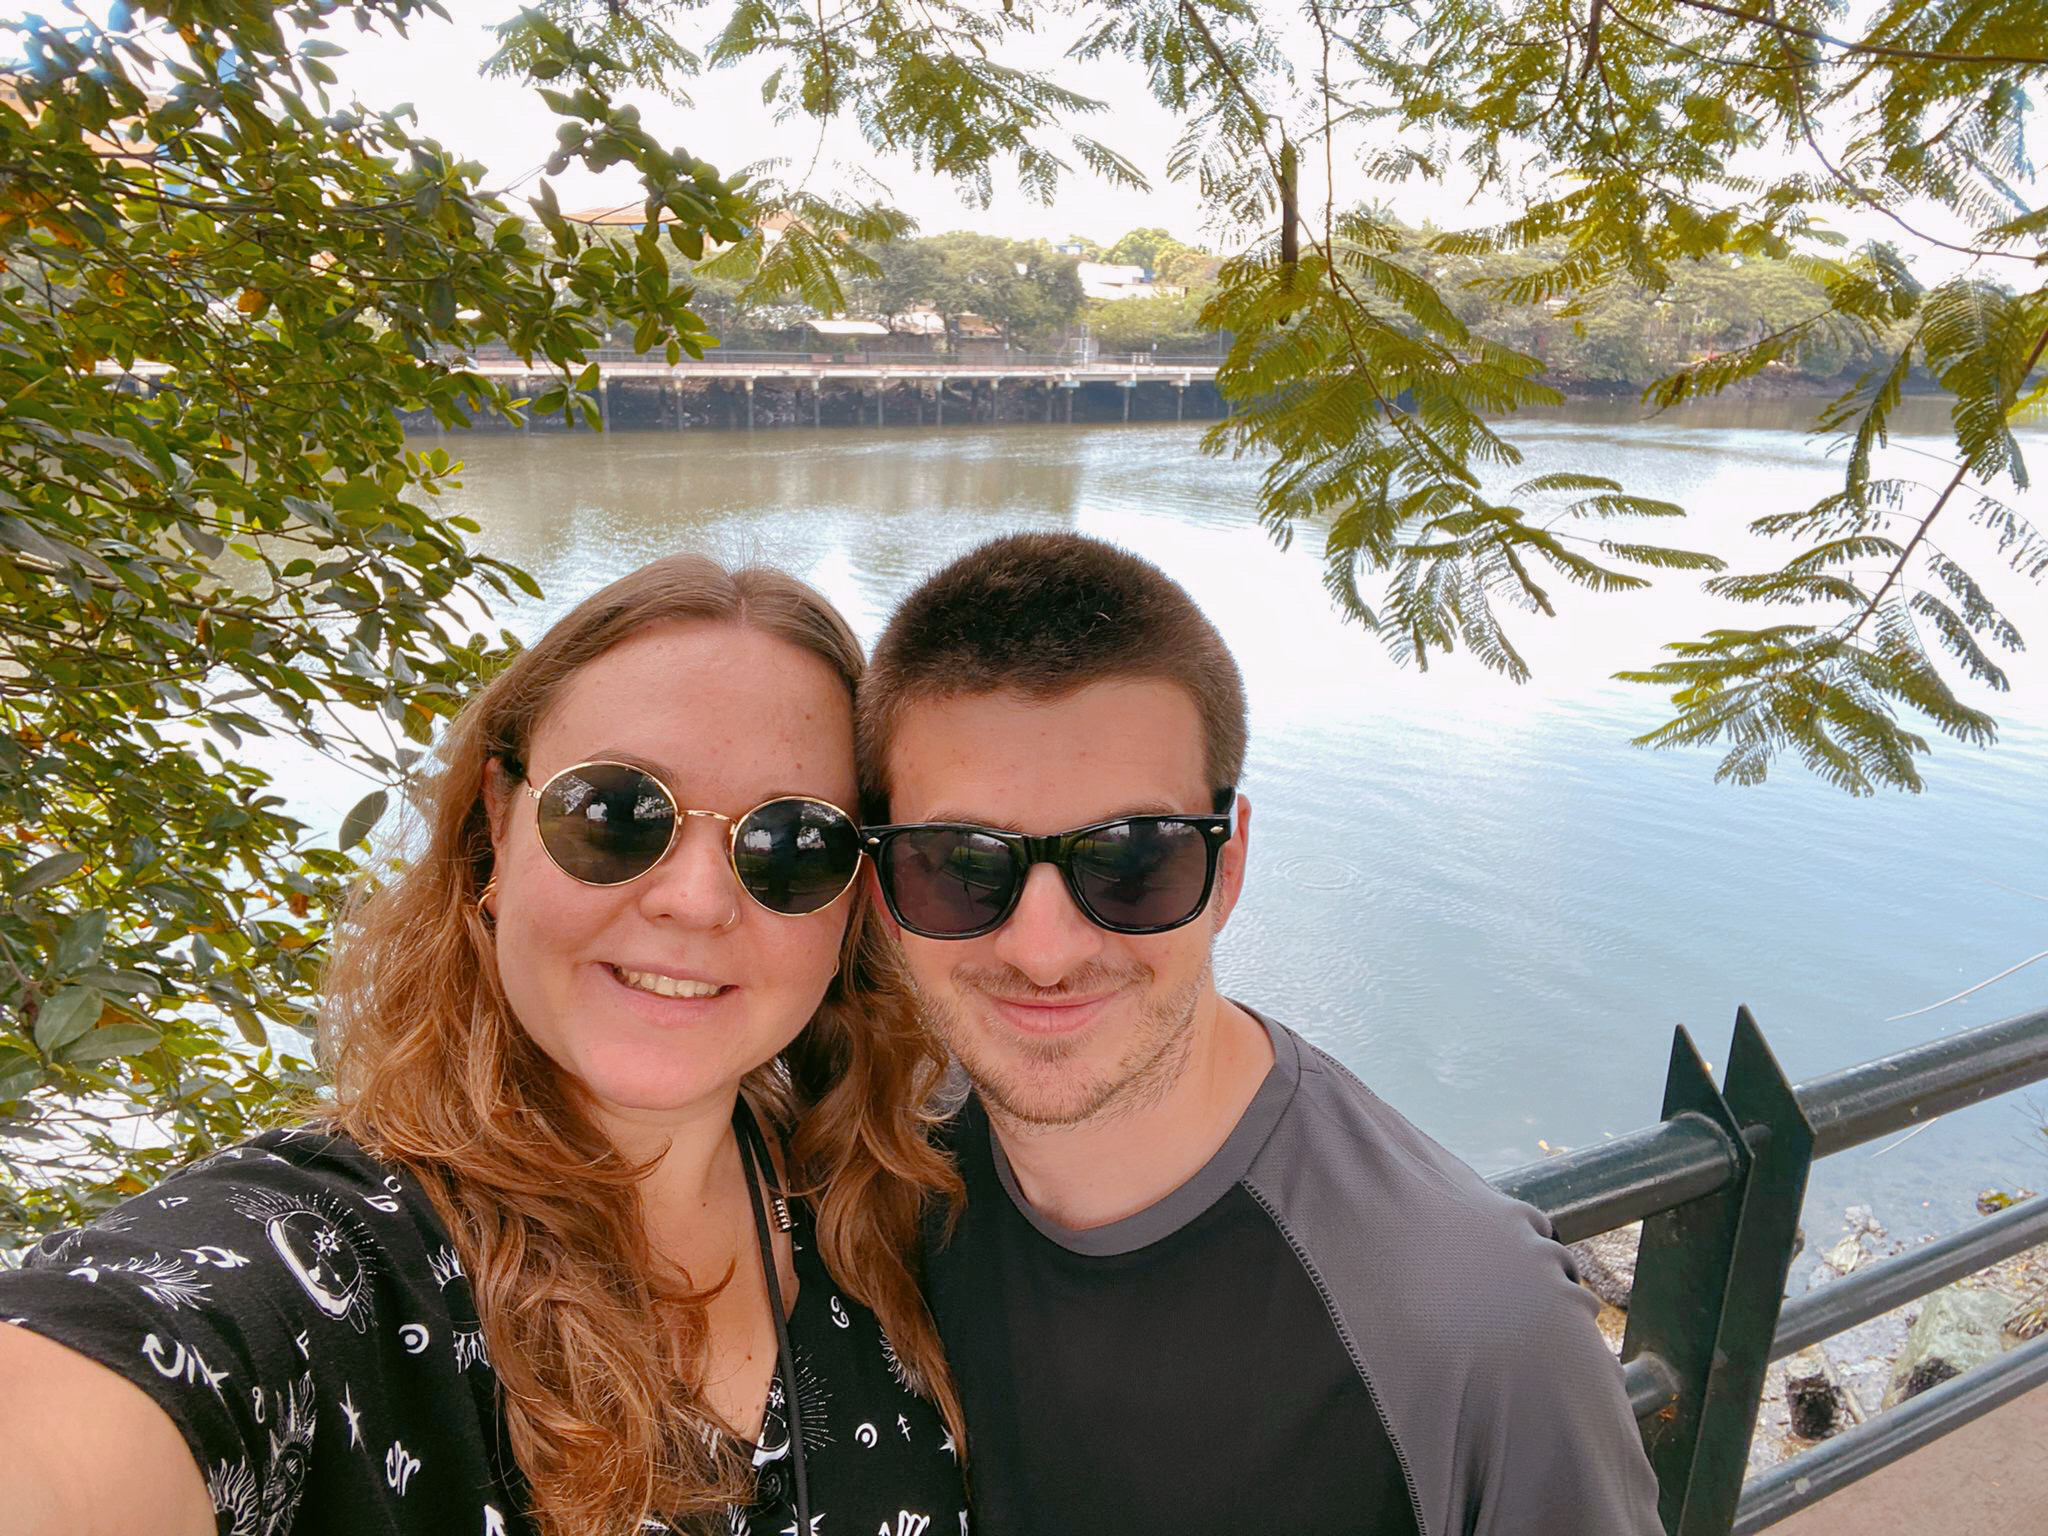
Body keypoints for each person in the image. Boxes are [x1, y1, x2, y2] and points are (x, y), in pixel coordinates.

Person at [0, 556, 968, 1536]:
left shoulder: (895, 1204)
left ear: (857, 898)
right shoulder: (322, 1260)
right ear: (498, 822)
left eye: (793, 842)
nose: (695, 900)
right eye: (615, 813)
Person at [855, 531, 1664, 1536]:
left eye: (1131, 859)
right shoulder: (872, 1172)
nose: (1045, 950)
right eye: (960, 864)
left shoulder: (1474, 1333)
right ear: (884, 888)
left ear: (1226, 868)